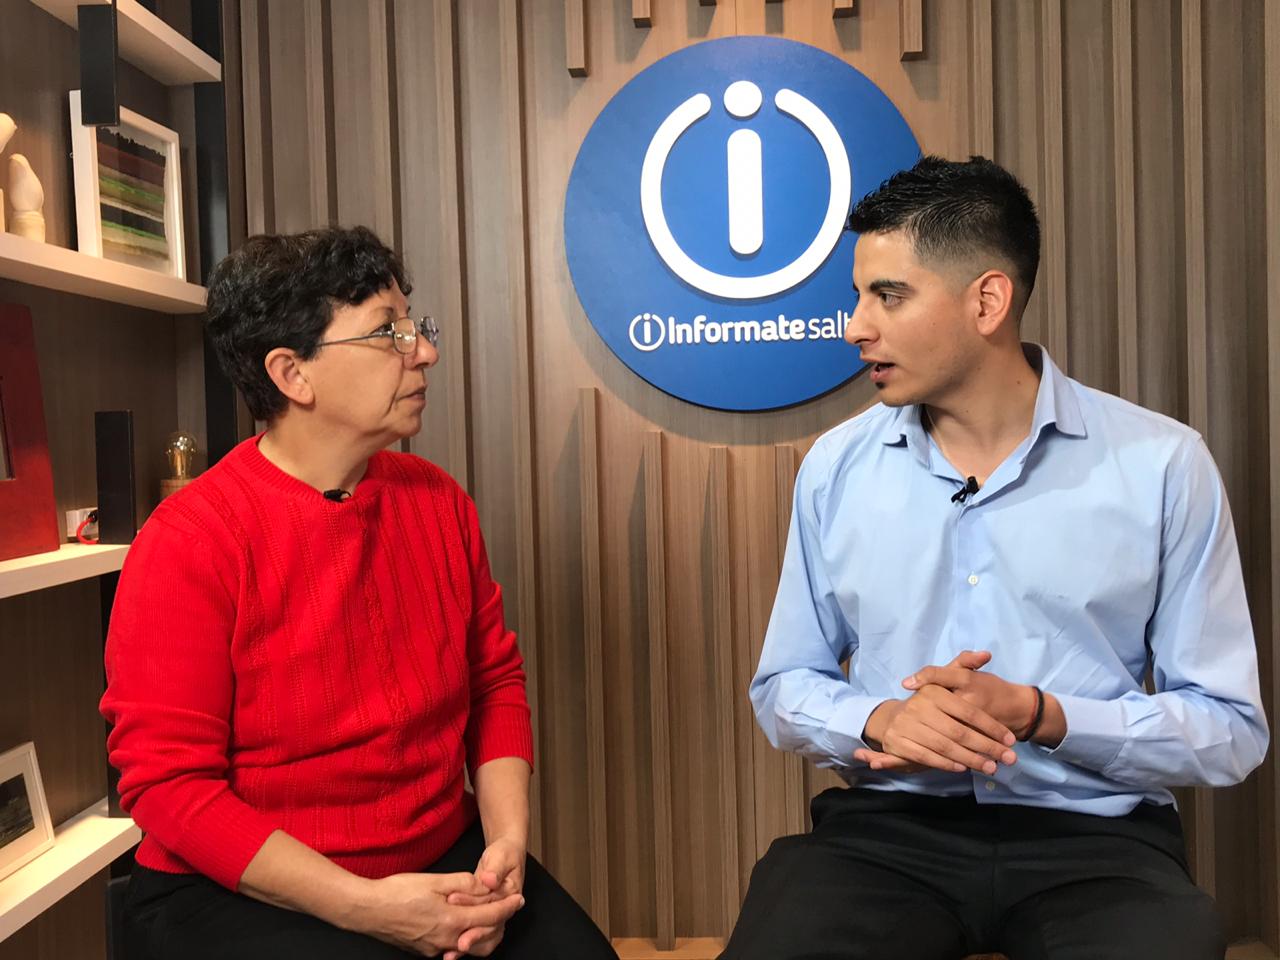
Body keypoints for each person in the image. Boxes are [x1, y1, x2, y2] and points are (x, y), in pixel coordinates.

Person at [721, 156, 1268, 960]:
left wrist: (1042, 715)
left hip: (1099, 844)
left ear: (987, 300)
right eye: (858, 296)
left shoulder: (1163, 464)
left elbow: (1229, 730)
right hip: (886, 836)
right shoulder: (836, 468)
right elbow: (783, 685)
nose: (855, 327)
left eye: (888, 296)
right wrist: (881, 718)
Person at [102, 226, 617, 960]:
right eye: (388, 333)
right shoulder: (191, 539)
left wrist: (503, 843)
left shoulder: (438, 501)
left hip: (440, 851)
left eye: (415, 326)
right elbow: (170, 788)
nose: (424, 351)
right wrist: (367, 908)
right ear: (292, 374)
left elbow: (493, 682)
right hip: (242, 887)